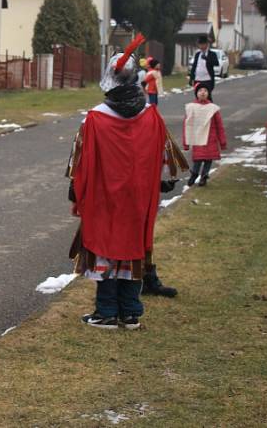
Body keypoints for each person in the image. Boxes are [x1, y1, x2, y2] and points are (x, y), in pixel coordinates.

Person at [67, 36, 184, 330]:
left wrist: (75, 190)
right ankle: (131, 312)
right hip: (138, 198)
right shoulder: (150, 116)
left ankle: (107, 312)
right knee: (132, 247)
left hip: (105, 197)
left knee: (106, 247)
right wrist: (163, 179)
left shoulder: (94, 119)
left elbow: (79, 161)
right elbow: (165, 154)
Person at [183, 82, 227, 187]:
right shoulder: (191, 107)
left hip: (210, 139)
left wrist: (222, 141)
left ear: (208, 93)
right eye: (200, 91)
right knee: (198, 159)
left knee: (208, 159)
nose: (203, 93)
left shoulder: (213, 108)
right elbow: (187, 126)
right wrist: (186, 143)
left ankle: (204, 176)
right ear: (196, 93)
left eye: (205, 91)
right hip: (197, 138)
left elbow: (219, 125)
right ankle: (194, 173)